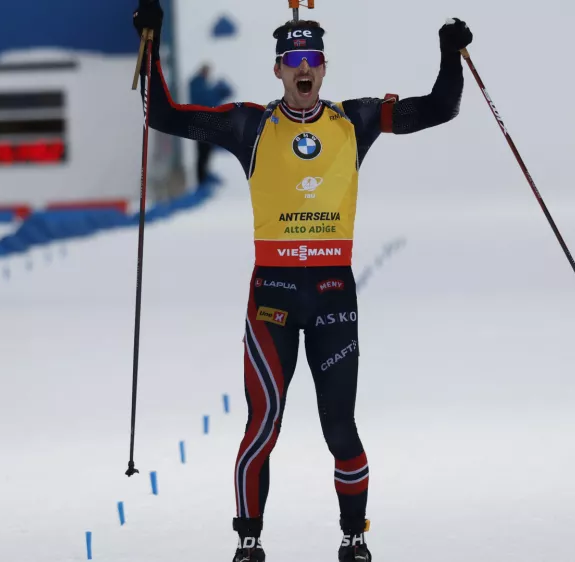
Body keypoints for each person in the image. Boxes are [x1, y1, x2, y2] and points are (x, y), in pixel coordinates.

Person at [131, 1, 472, 561]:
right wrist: (152, 40)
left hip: (335, 298)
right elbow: (162, 115)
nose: (302, 68)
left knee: (340, 428)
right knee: (262, 426)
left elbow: (438, 109)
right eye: (293, 59)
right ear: (278, 70)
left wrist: (449, 53)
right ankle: (248, 542)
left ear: (324, 66)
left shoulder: (355, 120)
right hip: (273, 300)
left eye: (311, 57)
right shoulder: (250, 125)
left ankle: (354, 536)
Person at [188, 63, 234, 186]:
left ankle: (204, 176)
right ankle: (201, 180)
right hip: (199, 124)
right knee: (203, 152)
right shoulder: (196, 84)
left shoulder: (202, 85)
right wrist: (218, 91)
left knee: (206, 151)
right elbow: (206, 100)